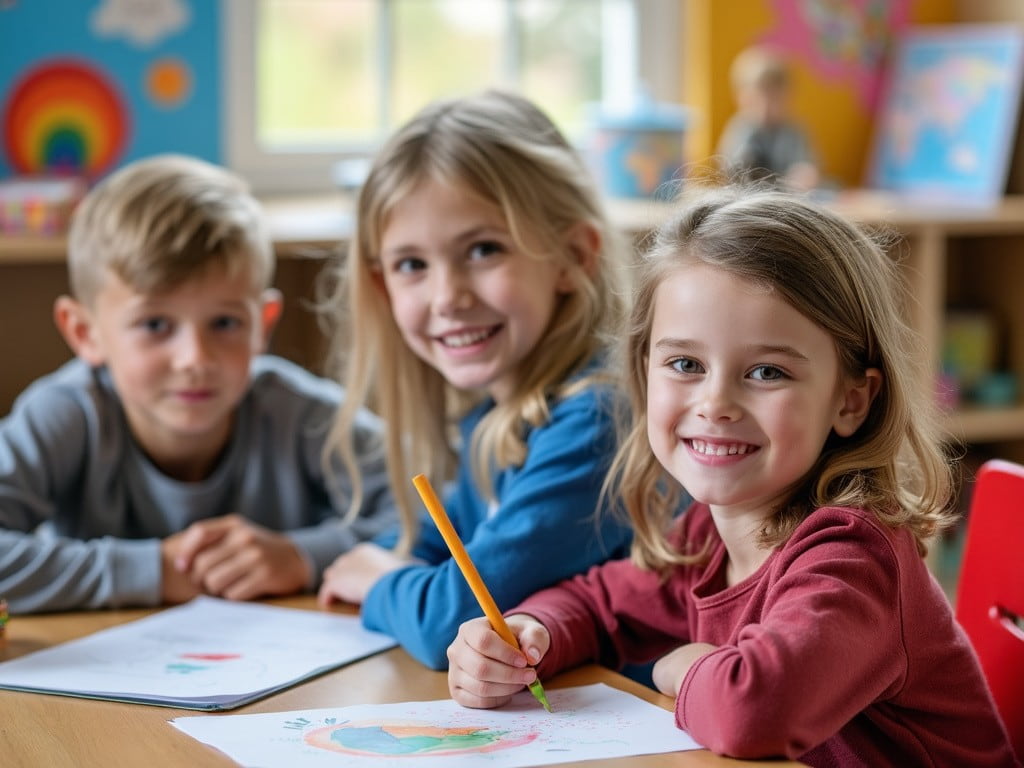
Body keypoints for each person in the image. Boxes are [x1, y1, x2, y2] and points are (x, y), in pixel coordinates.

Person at [446, 186, 1019, 767]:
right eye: (686, 364)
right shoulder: (708, 534)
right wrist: (527, 634)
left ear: (851, 400)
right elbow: (599, 603)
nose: (715, 402)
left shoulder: (853, 556)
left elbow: (755, 711)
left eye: (767, 371)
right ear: (645, 375)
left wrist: (684, 665)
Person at [316, 90, 634, 670]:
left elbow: (460, 614)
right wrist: (376, 560)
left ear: (572, 256)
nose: (447, 297)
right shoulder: (495, 418)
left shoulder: (598, 420)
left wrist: (381, 584)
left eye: (484, 250)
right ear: (381, 282)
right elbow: (438, 547)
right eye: (412, 265)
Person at [0, 154, 394, 613]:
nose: (195, 359)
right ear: (85, 332)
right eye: (155, 325)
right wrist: (152, 571)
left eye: (225, 322)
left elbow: (437, 513)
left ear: (262, 326)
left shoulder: (300, 412)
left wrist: (303, 557)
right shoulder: (66, 415)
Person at [716, 45, 819, 191]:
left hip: (786, 196)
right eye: (756, 101)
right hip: (749, 197)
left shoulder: (794, 131)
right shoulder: (741, 128)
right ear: (741, 99)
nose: (766, 108)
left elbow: (806, 166)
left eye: (775, 100)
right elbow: (731, 168)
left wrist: (806, 173)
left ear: (788, 99)